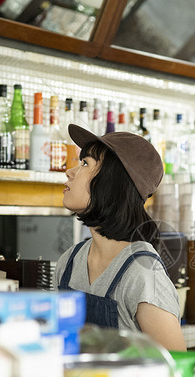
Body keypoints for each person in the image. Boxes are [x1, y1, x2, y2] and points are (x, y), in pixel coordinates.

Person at [55, 124, 186, 352]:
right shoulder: (69, 262)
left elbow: (177, 374)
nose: (70, 172)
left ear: (112, 182)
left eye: (85, 163)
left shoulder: (142, 274)